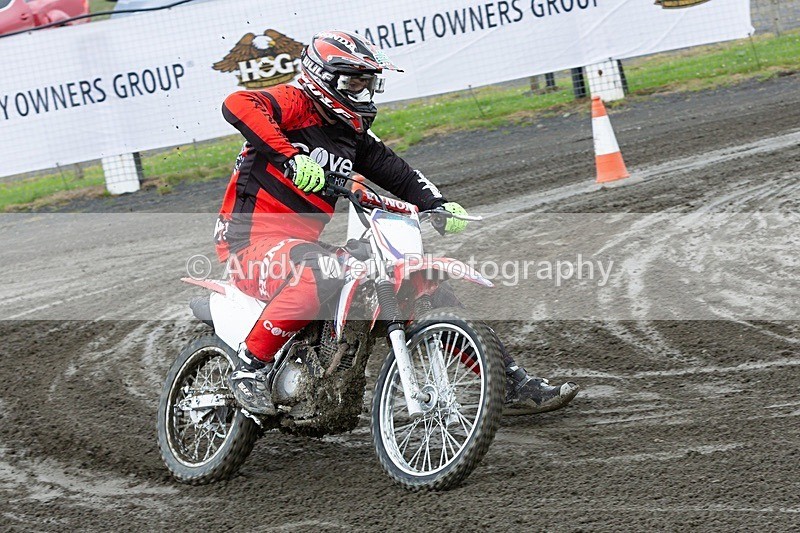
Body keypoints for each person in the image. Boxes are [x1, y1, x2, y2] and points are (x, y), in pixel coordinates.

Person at [214, 30, 579, 416]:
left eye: (368, 84)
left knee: (425, 285)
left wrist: (437, 204)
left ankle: (509, 383)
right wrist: (288, 156)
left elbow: (398, 173)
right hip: (247, 244)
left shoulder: (351, 134)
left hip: (297, 245)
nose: (364, 93)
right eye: (355, 83)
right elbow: (238, 102)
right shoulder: (295, 102)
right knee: (319, 269)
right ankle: (250, 370)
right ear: (325, 78)